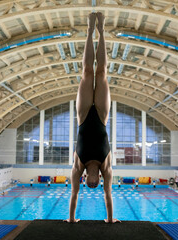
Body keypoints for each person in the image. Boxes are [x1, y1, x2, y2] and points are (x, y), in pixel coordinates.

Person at [65, 12, 120, 224]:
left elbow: (74, 195)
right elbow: (109, 195)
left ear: (86, 178)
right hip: (103, 116)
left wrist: (71, 220)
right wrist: (109, 220)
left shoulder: (77, 167)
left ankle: (89, 30)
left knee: (88, 72)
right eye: (95, 185)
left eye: (90, 184)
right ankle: (102, 30)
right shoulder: (107, 168)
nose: (93, 185)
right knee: (102, 73)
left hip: (83, 114)